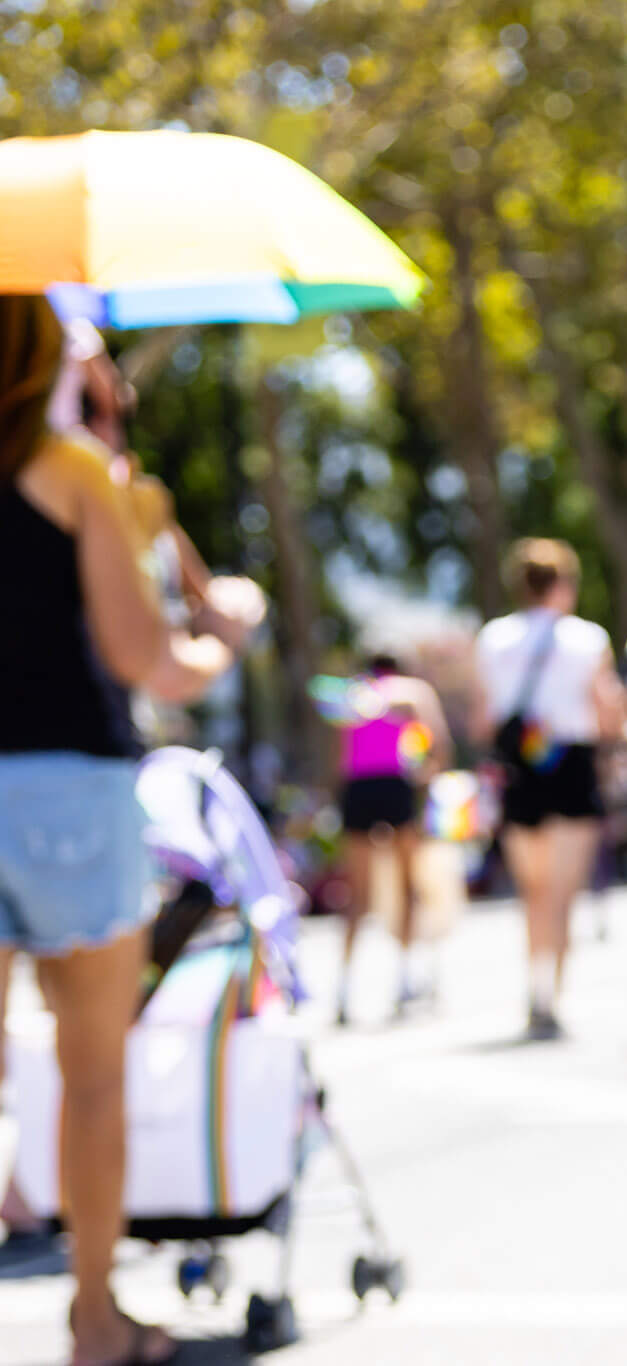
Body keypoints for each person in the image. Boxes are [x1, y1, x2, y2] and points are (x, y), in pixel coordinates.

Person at [0, 294, 242, 1365]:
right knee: (91, 1069)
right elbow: (148, 657)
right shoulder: (71, 473)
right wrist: (223, 640)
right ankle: (95, 1321)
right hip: (64, 786)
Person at [472, 539, 627, 1040]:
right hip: (571, 766)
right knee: (562, 893)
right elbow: (608, 713)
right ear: (563, 584)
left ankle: (536, 989)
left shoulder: (494, 638)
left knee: (533, 891)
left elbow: (481, 718)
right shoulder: (587, 638)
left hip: (520, 769)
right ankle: (551, 996)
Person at [330, 652, 450, 1025]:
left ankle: (344, 989)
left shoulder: (351, 694)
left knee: (358, 894)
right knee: (406, 886)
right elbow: (439, 743)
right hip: (394, 786)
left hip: (357, 790)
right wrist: (428, 778)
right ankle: (405, 980)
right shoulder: (412, 691)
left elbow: (339, 755)